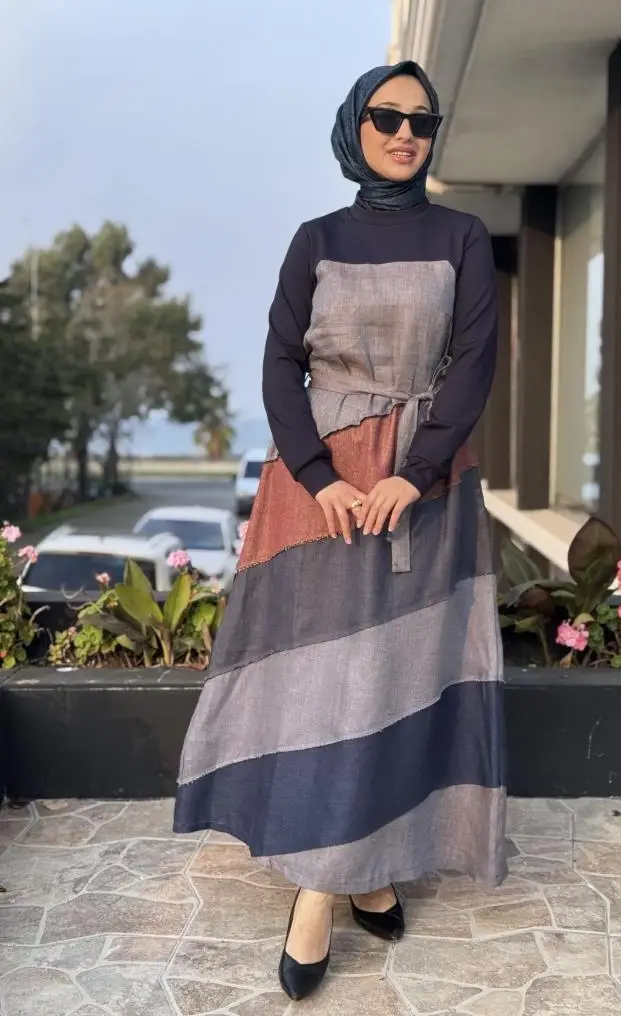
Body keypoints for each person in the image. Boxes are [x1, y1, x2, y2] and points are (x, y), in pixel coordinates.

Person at [174, 59, 507, 1001]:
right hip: (315, 491)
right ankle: (336, 880)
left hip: (420, 486)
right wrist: (319, 478)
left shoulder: (462, 236)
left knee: (397, 678)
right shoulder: (314, 239)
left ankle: (346, 874)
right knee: (324, 685)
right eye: (386, 116)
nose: (405, 134)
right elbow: (279, 366)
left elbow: (473, 365)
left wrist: (414, 472)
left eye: (421, 121)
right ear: (353, 126)